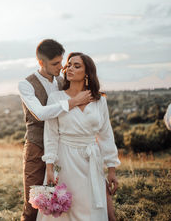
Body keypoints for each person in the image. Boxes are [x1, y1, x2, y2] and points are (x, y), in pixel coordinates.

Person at [38, 52, 120, 221]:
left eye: (77, 66)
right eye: (69, 65)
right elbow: (51, 134)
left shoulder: (99, 100)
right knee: (67, 209)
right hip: (65, 158)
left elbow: (106, 135)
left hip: (91, 159)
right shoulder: (56, 98)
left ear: (87, 72)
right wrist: (49, 166)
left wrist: (111, 169)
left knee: (90, 207)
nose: (70, 68)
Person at [18, 39, 93, 221]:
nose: (62, 67)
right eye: (55, 63)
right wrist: (73, 101)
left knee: (62, 199)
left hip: (62, 149)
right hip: (37, 148)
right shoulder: (26, 84)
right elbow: (40, 113)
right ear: (41, 62)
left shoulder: (62, 81)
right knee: (34, 202)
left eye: (61, 62)